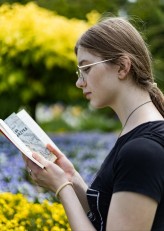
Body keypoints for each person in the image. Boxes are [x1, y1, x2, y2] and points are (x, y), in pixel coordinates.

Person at [25, 17, 164, 231]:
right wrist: (72, 178)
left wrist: (62, 187)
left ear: (122, 66)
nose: (79, 82)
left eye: (87, 68)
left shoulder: (142, 150)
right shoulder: (136, 134)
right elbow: (107, 213)